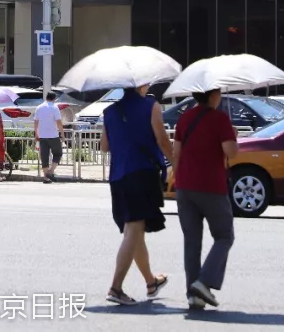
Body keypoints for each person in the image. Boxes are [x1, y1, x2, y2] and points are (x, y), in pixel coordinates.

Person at [99, 83, 173, 306]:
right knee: (134, 229)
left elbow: (103, 146)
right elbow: (162, 140)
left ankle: (151, 282)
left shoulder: (110, 111)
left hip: (118, 177)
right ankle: (116, 287)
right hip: (141, 174)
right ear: (142, 85)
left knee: (135, 230)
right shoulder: (151, 106)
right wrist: (177, 162)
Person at [171, 88, 238, 310]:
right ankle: (204, 281)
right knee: (224, 235)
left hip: (184, 186)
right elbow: (232, 151)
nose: (220, 96)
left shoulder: (185, 117)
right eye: (218, 92)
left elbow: (176, 153)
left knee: (192, 242)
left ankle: (194, 294)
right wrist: (233, 136)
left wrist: (176, 181)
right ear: (212, 96)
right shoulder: (220, 119)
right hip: (211, 186)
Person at [33, 91, 65, 183]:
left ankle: (46, 177)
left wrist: (36, 133)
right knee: (58, 153)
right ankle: (50, 172)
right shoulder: (54, 108)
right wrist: (62, 134)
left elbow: (36, 122)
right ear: (54, 99)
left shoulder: (39, 108)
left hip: (42, 135)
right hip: (53, 135)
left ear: (46, 97)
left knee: (44, 156)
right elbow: (59, 122)